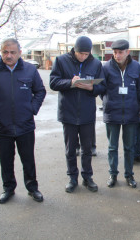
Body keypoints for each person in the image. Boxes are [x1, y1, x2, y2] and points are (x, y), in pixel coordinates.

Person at [0, 38, 46, 204]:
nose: (9, 56)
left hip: (26, 125)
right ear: (1, 52)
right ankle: (8, 188)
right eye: (5, 52)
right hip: (2, 126)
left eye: (12, 52)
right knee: (6, 160)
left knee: (28, 159)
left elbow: (40, 91)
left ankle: (32, 188)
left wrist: (32, 109)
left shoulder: (29, 70)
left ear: (20, 53)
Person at [50, 36, 105, 193]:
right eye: (80, 53)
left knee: (87, 149)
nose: (83, 56)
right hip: (68, 112)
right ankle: (72, 178)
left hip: (87, 113)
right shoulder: (61, 61)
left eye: (86, 54)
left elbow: (102, 86)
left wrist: (92, 89)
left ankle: (87, 177)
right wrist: (70, 83)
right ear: (74, 50)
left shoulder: (95, 63)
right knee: (70, 149)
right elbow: (53, 83)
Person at [102, 39, 140, 188]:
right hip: (112, 113)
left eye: (120, 52)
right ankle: (113, 174)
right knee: (112, 147)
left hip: (131, 114)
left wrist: (139, 107)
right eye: (115, 52)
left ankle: (129, 175)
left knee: (129, 147)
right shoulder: (106, 67)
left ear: (127, 52)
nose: (117, 55)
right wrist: (109, 103)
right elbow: (102, 90)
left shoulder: (136, 67)